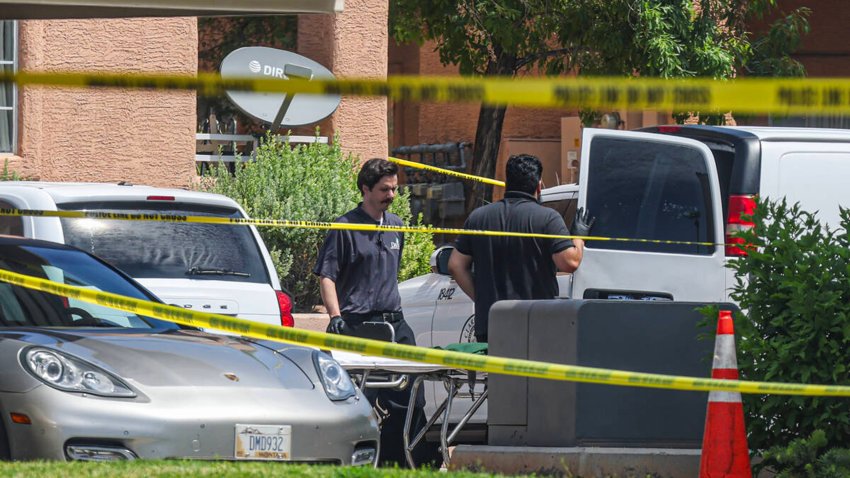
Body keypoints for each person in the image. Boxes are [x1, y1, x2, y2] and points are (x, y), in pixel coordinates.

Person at [313, 157, 434, 466]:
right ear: (365, 189)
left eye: (394, 189)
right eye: (384, 189)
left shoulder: (396, 226)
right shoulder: (345, 227)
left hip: (394, 324)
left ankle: (398, 461)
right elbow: (327, 276)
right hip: (356, 325)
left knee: (411, 397)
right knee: (355, 399)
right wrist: (335, 317)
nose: (390, 195)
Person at [447, 154, 595, 343]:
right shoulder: (548, 219)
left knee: (499, 374)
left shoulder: (478, 218)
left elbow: (455, 265)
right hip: (534, 324)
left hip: (492, 323)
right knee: (532, 374)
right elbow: (569, 262)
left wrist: (483, 299)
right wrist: (579, 237)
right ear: (539, 185)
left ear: (507, 183)